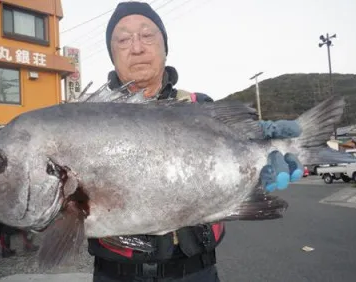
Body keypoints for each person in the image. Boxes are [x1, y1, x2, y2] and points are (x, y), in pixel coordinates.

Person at [88, 2, 304, 281]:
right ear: (112, 53)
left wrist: (261, 163)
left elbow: (234, 165)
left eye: (147, 35)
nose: (137, 47)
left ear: (165, 47)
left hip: (198, 272)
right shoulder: (89, 121)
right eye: (123, 39)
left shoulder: (200, 107)